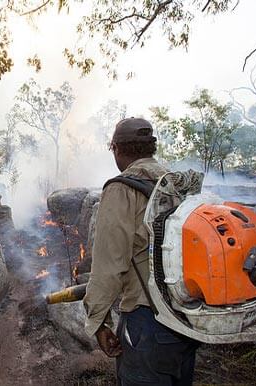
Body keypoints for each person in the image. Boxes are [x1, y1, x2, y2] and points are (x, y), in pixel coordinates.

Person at [83, 117, 198, 385]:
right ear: (151, 149)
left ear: (117, 149)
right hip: (187, 318)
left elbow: (108, 268)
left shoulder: (122, 189)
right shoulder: (176, 185)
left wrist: (98, 323)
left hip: (148, 321)